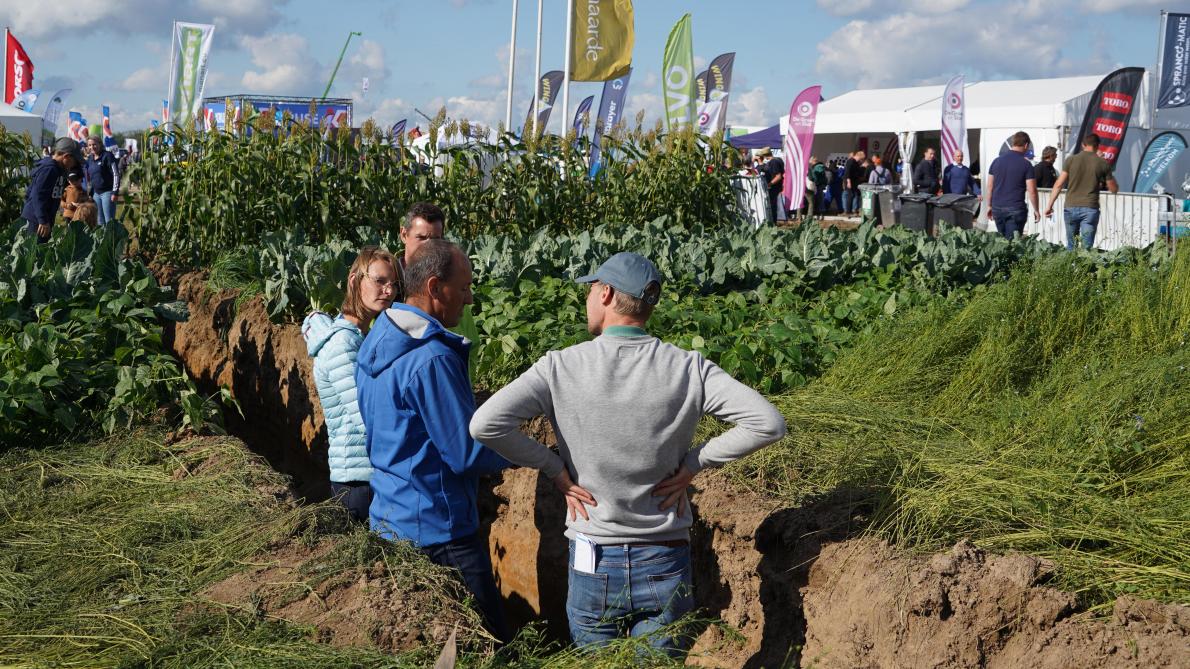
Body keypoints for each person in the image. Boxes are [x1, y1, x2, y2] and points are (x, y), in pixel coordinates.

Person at [470, 252, 786, 656]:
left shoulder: (560, 367)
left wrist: (553, 468)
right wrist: (694, 463)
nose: (587, 299)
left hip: (593, 559)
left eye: (590, 290)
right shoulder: (688, 368)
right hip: (665, 559)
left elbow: (485, 424)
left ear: (605, 294)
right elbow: (768, 423)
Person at [355, 239, 513, 642]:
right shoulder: (432, 358)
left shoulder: (376, 339)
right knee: (493, 641)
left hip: (388, 522)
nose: (470, 298)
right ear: (434, 287)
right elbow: (463, 453)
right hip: (439, 532)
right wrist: (517, 454)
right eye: (464, 288)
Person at [302, 247, 399, 523]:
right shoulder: (343, 344)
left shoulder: (360, 337)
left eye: (393, 284)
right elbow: (365, 415)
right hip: (356, 483)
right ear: (355, 280)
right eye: (380, 281)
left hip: (366, 475)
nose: (389, 291)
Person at [1044, 134, 1118, 250]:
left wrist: (1049, 205)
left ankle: (1071, 261)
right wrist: (1106, 169)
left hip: (1071, 206)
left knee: (1071, 246)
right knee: (1086, 249)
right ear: (1098, 146)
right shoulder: (1102, 163)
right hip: (1090, 207)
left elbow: (1058, 184)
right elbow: (1113, 189)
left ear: (1083, 145)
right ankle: (1084, 262)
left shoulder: (1071, 160)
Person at [20, 137, 82, 243]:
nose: (74, 165)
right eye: (75, 162)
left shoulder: (59, 170)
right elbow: (37, 195)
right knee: (34, 250)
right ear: (66, 157)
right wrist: (43, 220)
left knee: (42, 250)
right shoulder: (50, 169)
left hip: (44, 219)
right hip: (36, 221)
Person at [986, 131, 1039, 240]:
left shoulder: (996, 161)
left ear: (1013, 143)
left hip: (997, 208)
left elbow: (990, 186)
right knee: (1013, 244)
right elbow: (1032, 190)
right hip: (1015, 207)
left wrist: (989, 206)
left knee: (1002, 242)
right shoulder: (1026, 164)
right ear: (1026, 145)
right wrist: (1036, 210)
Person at [83, 137, 121, 226]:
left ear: (100, 144)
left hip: (108, 193)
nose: (92, 147)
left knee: (109, 222)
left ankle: (111, 235)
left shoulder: (108, 156)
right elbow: (91, 177)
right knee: (99, 222)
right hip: (96, 194)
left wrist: (115, 192)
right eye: (89, 145)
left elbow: (116, 174)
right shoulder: (90, 158)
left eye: (94, 144)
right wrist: (90, 193)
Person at [756, 148, 784, 223]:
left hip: (773, 187)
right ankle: (773, 222)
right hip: (776, 187)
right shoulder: (778, 159)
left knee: (772, 206)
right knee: (773, 205)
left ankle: (773, 223)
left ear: (764, 155)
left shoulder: (773, 162)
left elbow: (778, 176)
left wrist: (768, 184)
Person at [843, 150, 866, 216]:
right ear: (859, 157)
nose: (861, 161)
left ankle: (853, 210)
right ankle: (847, 211)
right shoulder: (851, 161)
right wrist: (848, 182)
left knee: (854, 195)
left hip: (854, 182)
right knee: (847, 195)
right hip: (850, 181)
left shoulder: (855, 163)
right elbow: (848, 172)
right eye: (861, 159)